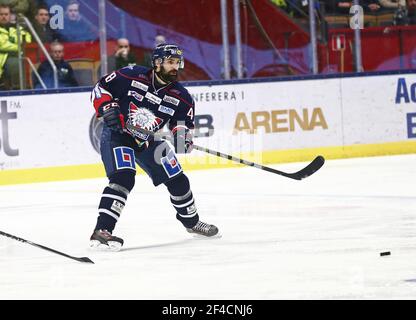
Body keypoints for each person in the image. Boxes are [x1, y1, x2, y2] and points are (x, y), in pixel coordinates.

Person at [89, 43, 219, 251]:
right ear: (157, 63)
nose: (174, 67)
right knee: (123, 177)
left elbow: (181, 128)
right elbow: (101, 88)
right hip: (118, 135)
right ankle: (103, 230)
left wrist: (182, 139)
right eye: (170, 62)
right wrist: (107, 107)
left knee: (179, 180)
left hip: (149, 141)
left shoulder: (182, 97)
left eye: (177, 62)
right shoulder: (131, 75)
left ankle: (192, 223)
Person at [0, 4, 32, 90]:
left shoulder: (16, 28)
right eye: (1, 14)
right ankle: (17, 89)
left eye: (6, 14)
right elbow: (3, 45)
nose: (3, 17)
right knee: (14, 63)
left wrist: (21, 45)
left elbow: (27, 41)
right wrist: (19, 47)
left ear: (10, 15)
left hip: (15, 58)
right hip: (2, 60)